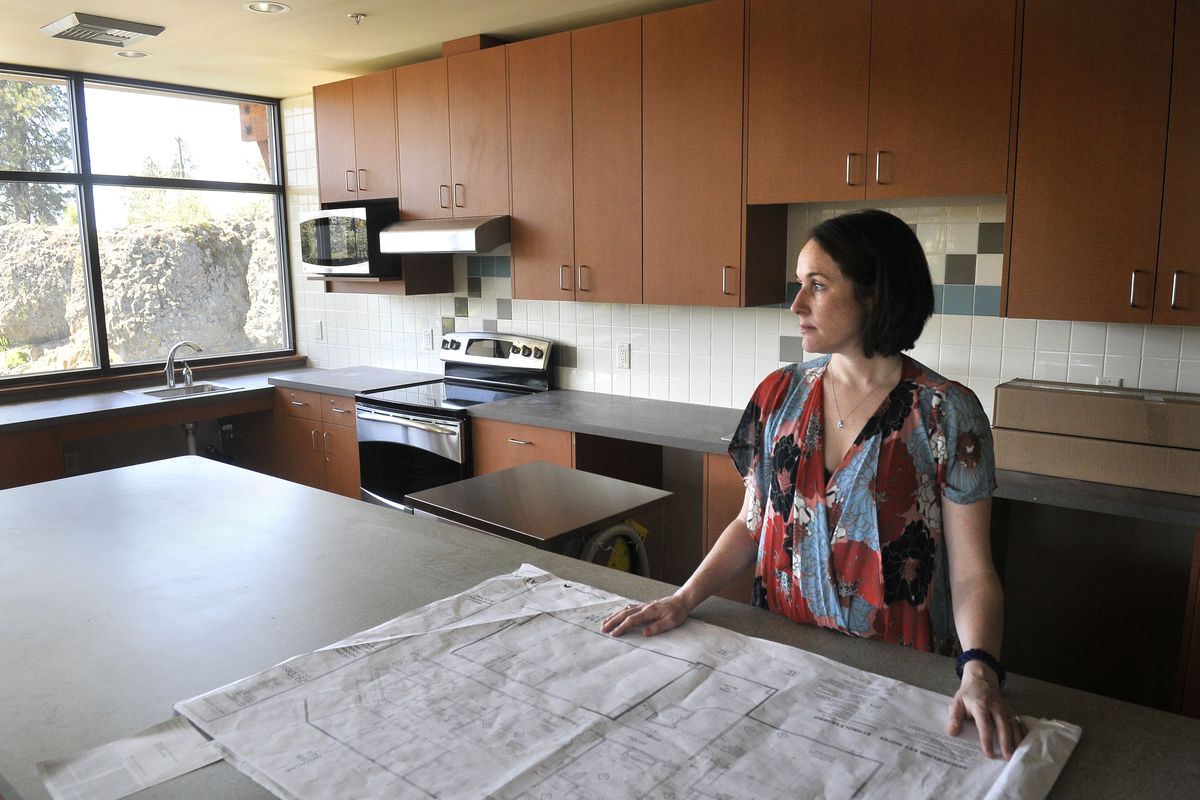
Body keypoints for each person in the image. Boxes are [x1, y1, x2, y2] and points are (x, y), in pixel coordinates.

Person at [601, 209, 1024, 760]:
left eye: (817, 286)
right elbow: (754, 523)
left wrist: (980, 670)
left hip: (896, 678)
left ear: (874, 294)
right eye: (800, 284)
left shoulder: (945, 413)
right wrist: (684, 598)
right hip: (781, 662)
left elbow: (972, 572)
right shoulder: (778, 395)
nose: (797, 305)